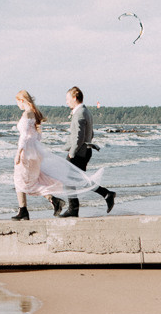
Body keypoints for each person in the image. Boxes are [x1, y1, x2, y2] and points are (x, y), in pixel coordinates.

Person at [11, 90, 102, 220]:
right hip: (33, 151)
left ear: (21, 100)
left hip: (27, 151)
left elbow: (24, 136)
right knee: (33, 179)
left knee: (20, 180)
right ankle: (50, 201)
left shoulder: (27, 113)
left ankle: (26, 210)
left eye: (17, 102)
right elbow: (37, 136)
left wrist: (19, 152)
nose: (17, 105)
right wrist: (36, 148)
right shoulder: (34, 113)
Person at [55, 86, 117, 217]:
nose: (66, 102)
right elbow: (91, 133)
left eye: (67, 99)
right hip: (85, 151)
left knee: (67, 179)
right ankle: (106, 194)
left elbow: (78, 137)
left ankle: (74, 209)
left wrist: (72, 152)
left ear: (74, 98)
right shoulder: (86, 111)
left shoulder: (80, 113)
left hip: (79, 152)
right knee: (79, 180)